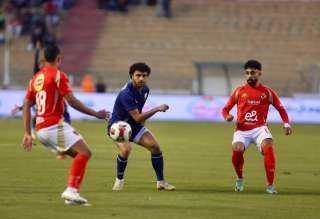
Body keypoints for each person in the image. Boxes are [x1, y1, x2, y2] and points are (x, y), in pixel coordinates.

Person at [22, 44, 109, 205]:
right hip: (53, 125)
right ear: (58, 58)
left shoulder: (35, 78)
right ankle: (71, 191)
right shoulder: (58, 75)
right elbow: (72, 101)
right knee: (85, 152)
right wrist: (96, 114)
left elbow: (26, 104)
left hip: (40, 130)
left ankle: (72, 196)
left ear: (43, 59)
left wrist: (27, 133)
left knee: (78, 156)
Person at [221, 60, 292, 194]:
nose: (249, 76)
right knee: (237, 149)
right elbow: (225, 109)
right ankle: (240, 178)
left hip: (260, 129)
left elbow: (281, 109)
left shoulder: (267, 92)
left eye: (252, 73)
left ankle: (270, 186)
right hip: (242, 130)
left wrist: (286, 124)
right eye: (247, 73)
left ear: (259, 73)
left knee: (268, 147)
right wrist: (227, 116)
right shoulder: (239, 91)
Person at [107, 62, 175, 191]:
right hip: (118, 127)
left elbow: (138, 114)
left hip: (134, 125)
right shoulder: (126, 94)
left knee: (155, 147)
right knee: (126, 150)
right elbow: (138, 116)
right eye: (138, 75)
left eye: (144, 76)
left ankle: (161, 182)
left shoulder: (145, 89)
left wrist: (143, 128)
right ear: (131, 76)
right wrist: (157, 109)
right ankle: (119, 180)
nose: (141, 78)